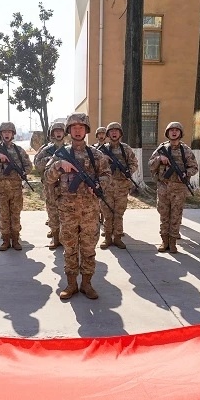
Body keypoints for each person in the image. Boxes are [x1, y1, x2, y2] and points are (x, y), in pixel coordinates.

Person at [45, 113, 111, 300]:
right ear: (68, 131)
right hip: (67, 212)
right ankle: (71, 284)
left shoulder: (96, 155)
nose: (77, 130)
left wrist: (99, 185)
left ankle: (87, 284)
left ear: (86, 130)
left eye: (81, 127)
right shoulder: (60, 154)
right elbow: (47, 179)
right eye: (73, 127)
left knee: (89, 249)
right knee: (70, 248)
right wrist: (59, 165)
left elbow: (107, 175)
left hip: (90, 211)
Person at [149, 121, 199, 254]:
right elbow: (150, 164)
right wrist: (160, 159)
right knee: (164, 215)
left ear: (180, 133)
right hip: (164, 187)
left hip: (179, 188)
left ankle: (172, 243)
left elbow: (194, 167)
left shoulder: (186, 150)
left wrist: (185, 173)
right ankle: (164, 241)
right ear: (167, 133)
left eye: (177, 130)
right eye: (171, 130)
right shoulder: (161, 149)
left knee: (176, 216)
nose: (174, 132)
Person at [0, 121, 33, 251]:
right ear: (1, 134)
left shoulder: (19, 151)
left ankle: (16, 239)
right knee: (4, 215)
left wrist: (23, 172)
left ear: (13, 134)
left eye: (9, 132)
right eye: (4, 132)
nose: (7, 134)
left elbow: (29, 166)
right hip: (1, 189)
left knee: (15, 214)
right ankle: (5, 240)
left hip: (15, 189)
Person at [96, 121, 138, 249]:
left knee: (119, 213)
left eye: (116, 131)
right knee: (107, 214)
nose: (114, 133)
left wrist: (128, 171)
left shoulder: (126, 149)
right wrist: (104, 160)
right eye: (111, 131)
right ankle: (108, 238)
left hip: (122, 187)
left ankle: (118, 237)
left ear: (120, 134)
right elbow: (94, 166)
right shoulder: (101, 150)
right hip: (107, 187)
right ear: (108, 134)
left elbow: (134, 164)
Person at [34, 121, 67, 248]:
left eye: (60, 131)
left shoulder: (70, 148)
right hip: (50, 186)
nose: (58, 133)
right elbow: (37, 164)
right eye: (56, 131)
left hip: (66, 186)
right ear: (52, 133)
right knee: (52, 211)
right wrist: (50, 160)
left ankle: (65, 237)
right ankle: (55, 237)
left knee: (65, 211)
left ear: (64, 133)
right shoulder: (46, 149)